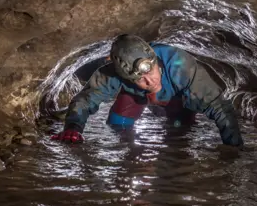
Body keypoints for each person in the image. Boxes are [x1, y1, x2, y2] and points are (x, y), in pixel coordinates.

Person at [51, 34, 243, 146]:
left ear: (155, 61)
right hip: (136, 97)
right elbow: (85, 99)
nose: (149, 81)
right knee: (117, 125)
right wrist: (73, 128)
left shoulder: (180, 65)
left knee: (181, 130)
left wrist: (234, 149)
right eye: (138, 79)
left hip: (175, 98)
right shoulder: (112, 74)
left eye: (150, 71)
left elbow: (219, 107)